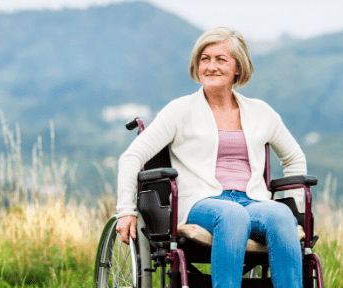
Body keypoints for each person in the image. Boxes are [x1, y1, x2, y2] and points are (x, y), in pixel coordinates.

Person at [115, 27, 307, 288]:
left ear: (238, 68)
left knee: (282, 216)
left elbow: (294, 159)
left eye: (221, 59)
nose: (211, 66)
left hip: (253, 202)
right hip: (203, 204)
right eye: (205, 58)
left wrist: (296, 204)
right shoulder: (180, 110)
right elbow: (132, 156)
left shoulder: (262, 112)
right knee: (232, 214)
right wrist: (126, 210)